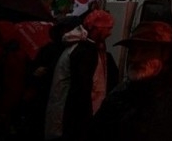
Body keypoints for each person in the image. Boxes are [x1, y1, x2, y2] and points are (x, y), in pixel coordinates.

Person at [87, 21, 172, 141]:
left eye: (145, 51)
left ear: (165, 54)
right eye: (133, 52)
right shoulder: (119, 96)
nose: (135, 58)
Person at [44, 9, 118, 141]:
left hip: (67, 115)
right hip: (74, 119)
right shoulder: (85, 51)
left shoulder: (78, 47)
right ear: (97, 29)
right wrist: (88, 121)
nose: (109, 33)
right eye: (107, 29)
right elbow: (82, 90)